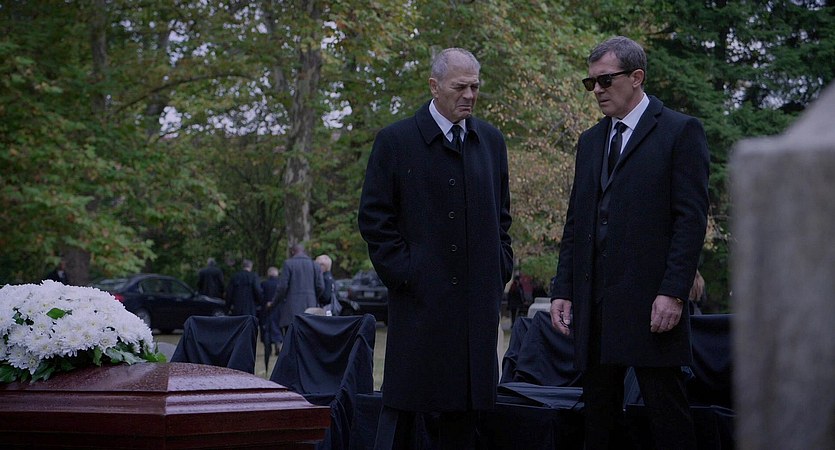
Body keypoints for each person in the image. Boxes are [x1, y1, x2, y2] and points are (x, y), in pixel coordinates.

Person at [549, 36, 709, 450]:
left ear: (637, 77)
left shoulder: (680, 131)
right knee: (598, 419)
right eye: (591, 83)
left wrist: (673, 292)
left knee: (667, 416)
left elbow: (690, 221)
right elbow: (576, 223)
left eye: (605, 80)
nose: (597, 90)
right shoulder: (590, 141)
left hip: (653, 304)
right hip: (595, 305)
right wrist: (563, 289)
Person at [358, 47, 513, 449]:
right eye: (460, 87)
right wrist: (407, 272)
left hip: (476, 310)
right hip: (420, 308)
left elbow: (502, 217)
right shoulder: (396, 141)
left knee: (466, 421)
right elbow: (374, 219)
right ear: (434, 86)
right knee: (411, 418)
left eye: (475, 87)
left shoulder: (490, 141)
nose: (469, 95)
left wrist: (500, 267)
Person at [274, 243, 325, 337]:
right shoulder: (315, 265)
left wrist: (275, 302)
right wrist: (314, 296)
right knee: (309, 338)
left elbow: (282, 287)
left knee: (291, 339)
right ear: (304, 251)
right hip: (311, 306)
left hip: (291, 309)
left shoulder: (288, 264)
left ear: (292, 252)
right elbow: (321, 286)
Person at [261, 266, 283, 354]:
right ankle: (278, 342)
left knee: (267, 328)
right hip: (279, 309)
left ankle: (268, 347)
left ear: (268, 274)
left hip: (267, 309)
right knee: (278, 327)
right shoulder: (281, 283)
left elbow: (261, 296)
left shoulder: (264, 284)